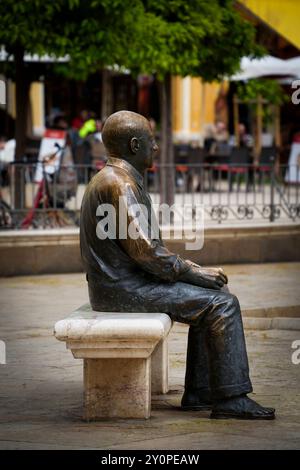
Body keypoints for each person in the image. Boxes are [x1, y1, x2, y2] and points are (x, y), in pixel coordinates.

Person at [80, 110, 275, 420]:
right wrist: (193, 271)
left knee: (209, 298)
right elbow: (146, 251)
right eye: (151, 142)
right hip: (124, 289)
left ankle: (201, 392)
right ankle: (230, 398)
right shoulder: (121, 184)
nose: (156, 148)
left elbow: (144, 250)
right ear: (134, 145)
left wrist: (190, 272)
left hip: (118, 285)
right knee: (223, 304)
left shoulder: (114, 177)